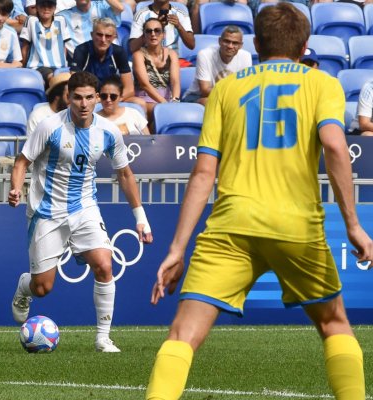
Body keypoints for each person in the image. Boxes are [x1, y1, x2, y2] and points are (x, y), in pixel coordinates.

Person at [145, 3, 373, 400]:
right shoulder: (323, 84)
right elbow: (336, 147)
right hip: (296, 227)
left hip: (231, 228)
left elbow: (203, 174)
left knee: (182, 334)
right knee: (334, 325)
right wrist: (353, 224)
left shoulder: (225, 90)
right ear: (304, 46)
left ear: (257, 43)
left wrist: (177, 248)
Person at [9, 71, 154, 353]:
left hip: (85, 207)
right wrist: (16, 188)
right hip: (47, 211)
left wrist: (141, 218)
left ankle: (103, 337)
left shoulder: (108, 131)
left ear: (97, 99)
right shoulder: (49, 126)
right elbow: (21, 161)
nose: (84, 104)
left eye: (90, 97)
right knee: (43, 288)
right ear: (68, 98)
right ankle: (24, 288)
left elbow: (125, 174)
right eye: (77, 97)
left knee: (104, 264)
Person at [70, 17, 138, 105]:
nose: (103, 40)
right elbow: (74, 84)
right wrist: (94, 100)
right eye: (99, 35)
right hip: (88, 97)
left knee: (139, 102)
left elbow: (129, 89)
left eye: (108, 36)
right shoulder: (81, 50)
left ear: (114, 37)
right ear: (92, 35)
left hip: (111, 96)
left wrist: (110, 100)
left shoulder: (119, 52)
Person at [182, 25, 252, 105]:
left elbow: (245, 89)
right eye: (226, 41)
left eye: (235, 43)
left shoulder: (246, 56)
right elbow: (205, 91)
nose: (230, 46)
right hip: (197, 96)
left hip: (228, 98)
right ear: (219, 41)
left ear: (240, 45)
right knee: (209, 102)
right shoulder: (205, 55)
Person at [132, 18, 181, 121]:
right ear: (144, 36)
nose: (153, 34)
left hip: (168, 99)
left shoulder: (172, 54)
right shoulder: (138, 55)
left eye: (157, 30)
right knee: (162, 113)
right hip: (145, 99)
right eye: (149, 31)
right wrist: (164, 104)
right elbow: (145, 85)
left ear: (164, 35)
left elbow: (175, 81)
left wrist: (175, 100)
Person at [20, 0, 69, 86]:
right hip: (38, 66)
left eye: (50, 5)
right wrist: (24, 68)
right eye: (43, 5)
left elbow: (63, 46)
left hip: (60, 66)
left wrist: (64, 64)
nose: (46, 9)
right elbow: (25, 46)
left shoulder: (61, 20)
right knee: (52, 77)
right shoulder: (31, 20)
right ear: (37, 7)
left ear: (54, 7)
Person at [57, 0, 123, 58]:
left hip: (107, 59)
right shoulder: (64, 16)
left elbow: (120, 8)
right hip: (81, 63)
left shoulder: (101, 7)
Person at [128, 0, 194, 58]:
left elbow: (191, 45)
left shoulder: (181, 14)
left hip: (173, 58)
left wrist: (179, 26)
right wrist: (154, 26)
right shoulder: (141, 14)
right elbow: (133, 47)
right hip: (149, 59)